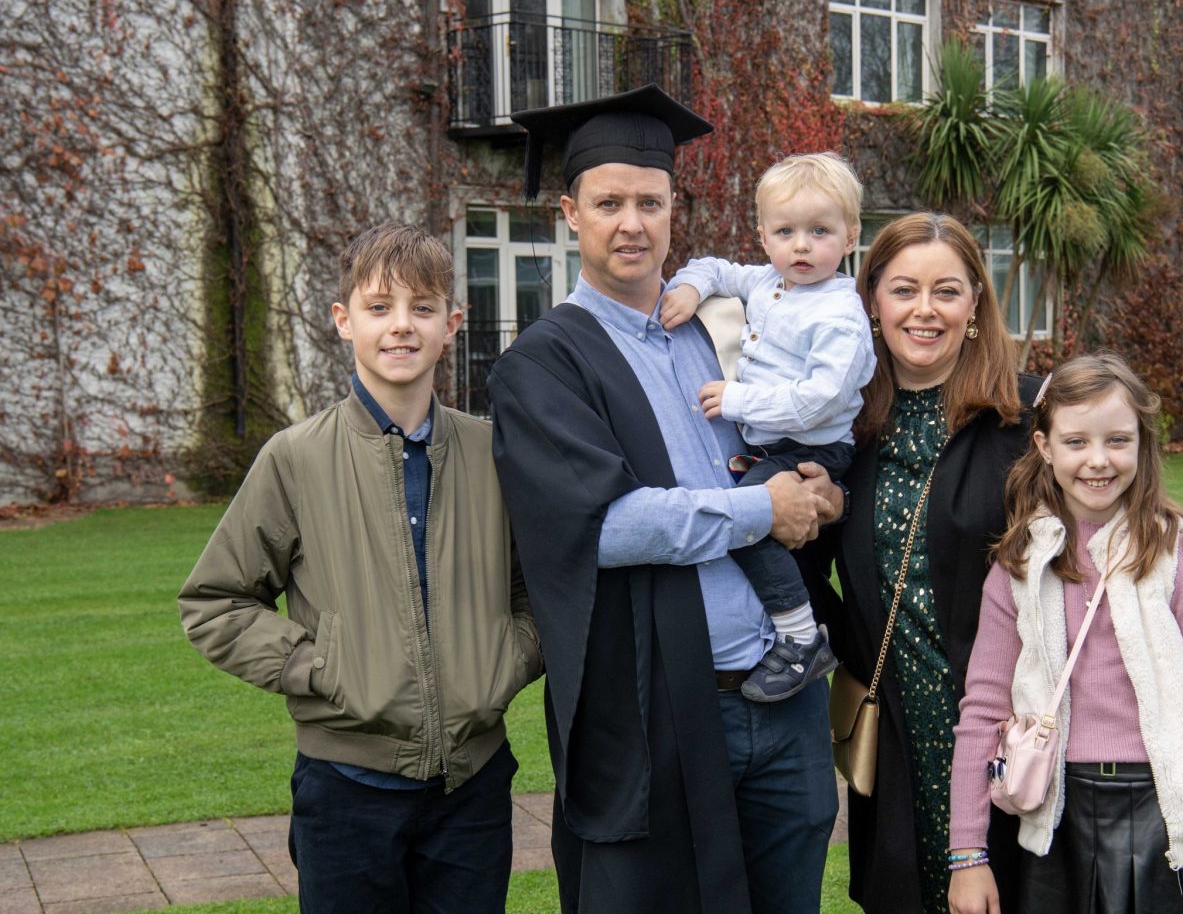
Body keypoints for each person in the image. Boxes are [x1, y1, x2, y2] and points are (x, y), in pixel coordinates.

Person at [799, 213, 1183, 914]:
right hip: (900, 731)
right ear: (872, 301)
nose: (925, 310)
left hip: (1022, 736)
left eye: (947, 291)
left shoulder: (1026, 416)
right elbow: (803, 564)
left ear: (975, 304)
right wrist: (850, 646)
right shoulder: (841, 427)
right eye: (904, 290)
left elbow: (1140, 529)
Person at [487, 84, 840, 914]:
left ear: (675, 211)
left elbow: (779, 447)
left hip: (784, 695)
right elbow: (604, 527)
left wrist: (817, 486)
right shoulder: (543, 364)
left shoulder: (712, 335)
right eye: (608, 204)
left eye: (650, 203)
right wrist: (765, 509)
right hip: (663, 712)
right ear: (571, 215)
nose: (631, 224)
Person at [178, 222, 544, 913]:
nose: (401, 325)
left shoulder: (494, 454)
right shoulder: (296, 458)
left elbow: (544, 589)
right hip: (345, 792)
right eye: (380, 307)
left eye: (422, 307)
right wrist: (322, 667)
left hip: (473, 790)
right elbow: (215, 602)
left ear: (451, 325)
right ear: (345, 321)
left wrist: (509, 655)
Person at [947, 352, 1183, 914]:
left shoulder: (1178, 557)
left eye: (1117, 440)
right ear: (1044, 447)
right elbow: (982, 711)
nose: (1098, 461)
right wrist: (967, 856)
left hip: (1163, 818)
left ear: (1142, 443)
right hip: (1053, 820)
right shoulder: (1019, 565)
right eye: (1076, 442)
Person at [659, 151, 877, 703]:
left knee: (746, 519)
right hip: (772, 444)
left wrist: (738, 400)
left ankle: (802, 637)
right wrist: (690, 288)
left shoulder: (840, 313)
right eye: (785, 232)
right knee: (759, 524)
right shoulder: (768, 282)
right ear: (763, 236)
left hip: (813, 448)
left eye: (819, 231)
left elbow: (819, 401)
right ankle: (809, 622)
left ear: (850, 236)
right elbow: (713, 267)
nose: (801, 246)